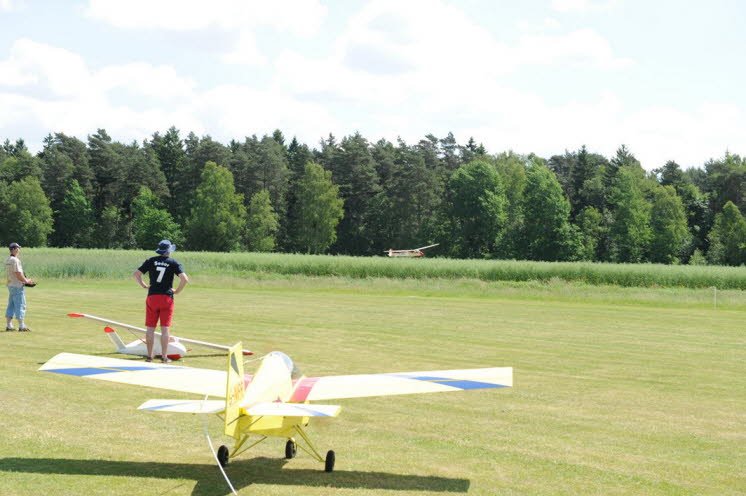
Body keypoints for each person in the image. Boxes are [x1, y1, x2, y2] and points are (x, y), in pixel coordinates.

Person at [132, 240, 189, 362]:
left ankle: (149, 356)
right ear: (169, 251)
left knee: (150, 329)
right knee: (165, 329)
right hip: (166, 298)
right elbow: (185, 279)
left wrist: (143, 285)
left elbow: (136, 274)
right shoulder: (173, 262)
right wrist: (177, 291)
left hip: (152, 296)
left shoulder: (151, 260)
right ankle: (164, 357)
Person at [6, 242, 34, 332]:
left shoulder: (8, 259)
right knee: (20, 305)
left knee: (11, 305)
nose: (19, 250)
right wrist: (26, 281)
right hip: (17, 285)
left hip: (10, 284)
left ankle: (9, 325)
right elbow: (18, 273)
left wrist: (25, 279)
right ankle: (22, 326)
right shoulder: (15, 260)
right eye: (18, 248)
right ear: (14, 249)